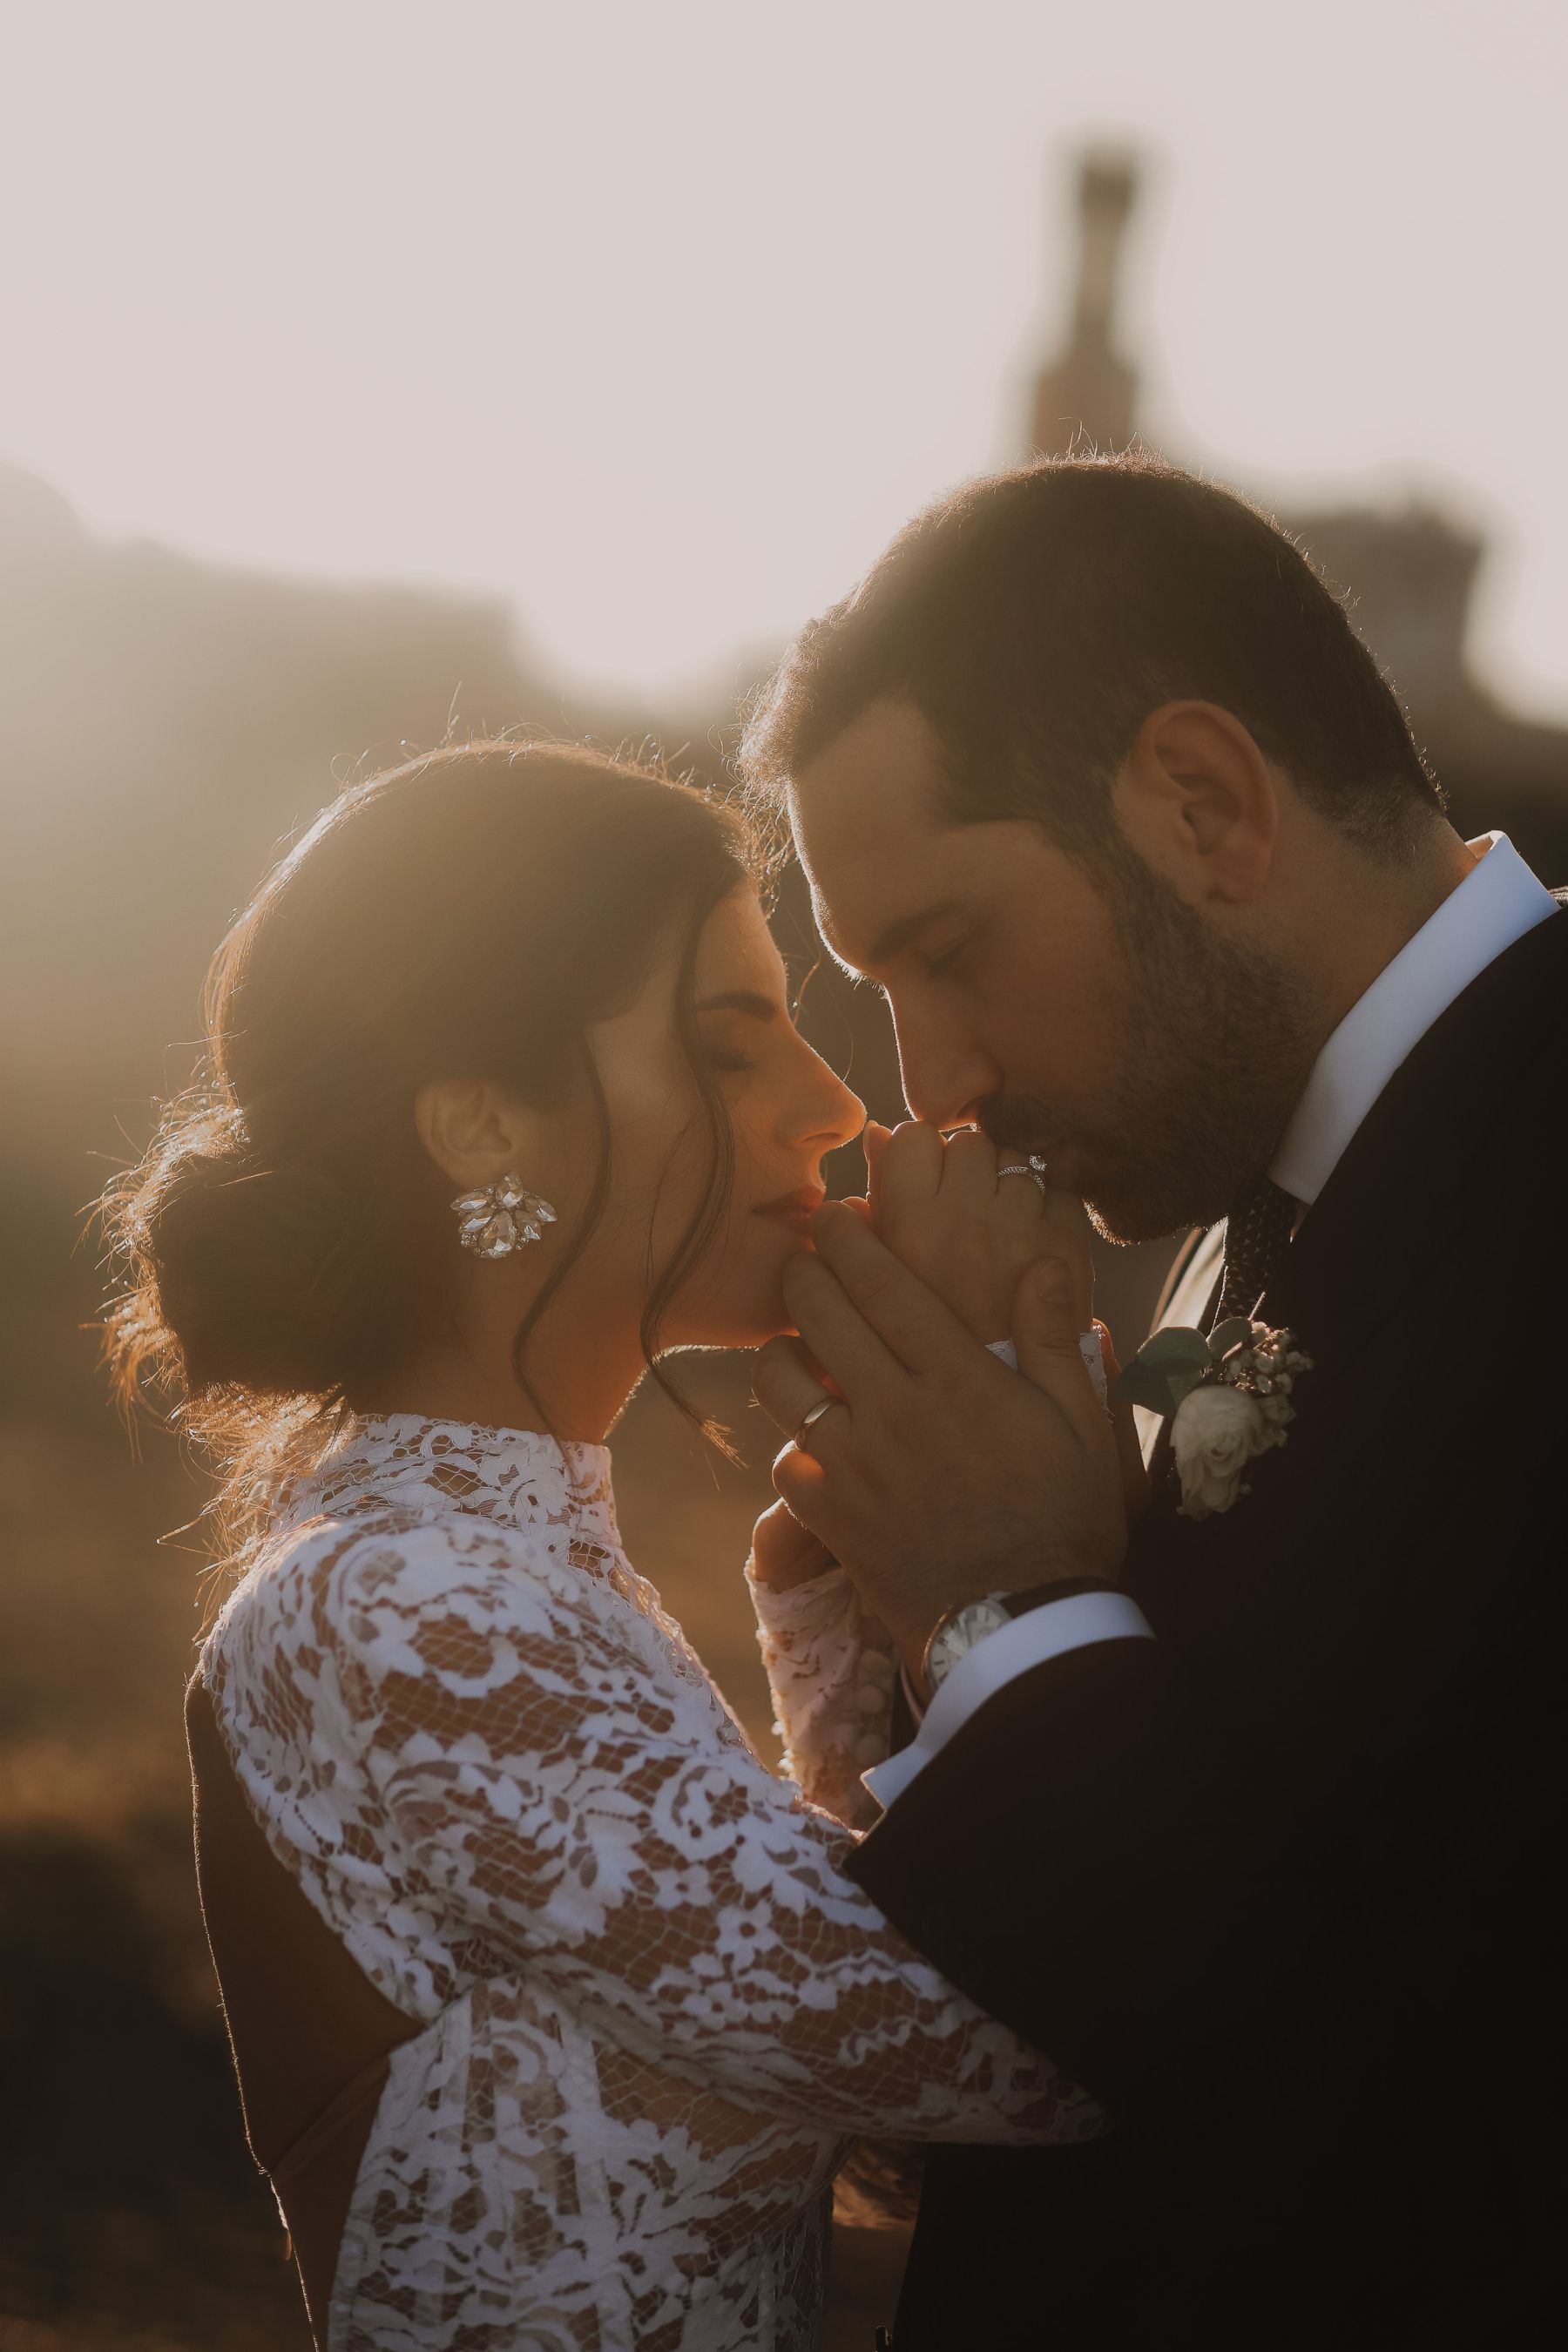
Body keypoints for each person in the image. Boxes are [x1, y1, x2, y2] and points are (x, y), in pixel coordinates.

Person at [98, 739, 1106, 2352]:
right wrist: (995, 1430)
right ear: (482, 1130)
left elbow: (893, 2130)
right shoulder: (404, 1608)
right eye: (728, 1047)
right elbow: (1033, 2045)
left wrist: (843, 1612)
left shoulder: (520, 1582)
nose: (835, 1102)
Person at [740, 453, 1568, 2349]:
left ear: (1202, 804)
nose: (927, 1083)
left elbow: (1451, 2111)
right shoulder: (1259, 1203)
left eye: (945, 955)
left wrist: (1011, 1612)